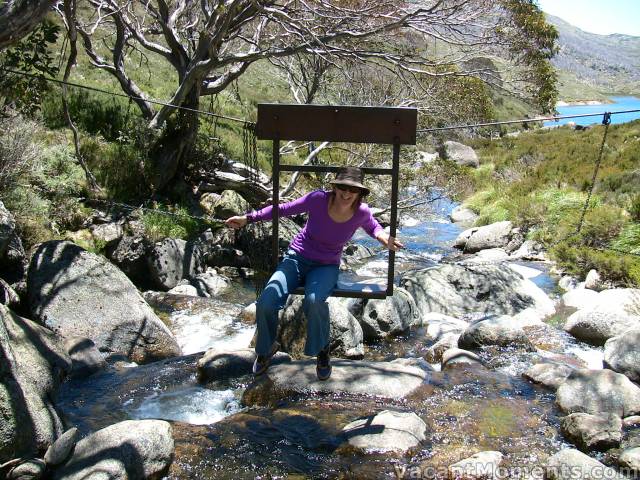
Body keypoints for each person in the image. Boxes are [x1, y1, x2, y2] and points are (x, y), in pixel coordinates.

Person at [225, 166, 403, 380]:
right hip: (296, 258)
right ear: (335, 187)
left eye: (353, 190)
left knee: (314, 301)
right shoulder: (318, 199)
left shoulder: (361, 212)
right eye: (343, 188)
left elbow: (374, 227)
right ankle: (265, 349)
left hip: (326, 265)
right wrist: (249, 218)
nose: (347, 194)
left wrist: (384, 238)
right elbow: (283, 209)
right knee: (267, 301)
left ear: (360, 193)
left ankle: (322, 350)